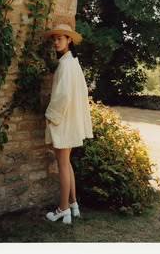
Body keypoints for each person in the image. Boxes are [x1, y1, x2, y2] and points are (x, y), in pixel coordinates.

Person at [42, 24, 93, 224]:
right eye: (54, 38)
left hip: (62, 119)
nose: (56, 42)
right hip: (69, 118)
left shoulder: (65, 64)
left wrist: (50, 115)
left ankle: (63, 209)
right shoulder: (72, 62)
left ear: (69, 40)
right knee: (67, 163)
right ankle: (73, 205)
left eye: (60, 38)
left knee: (62, 163)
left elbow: (62, 96)